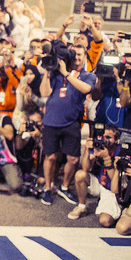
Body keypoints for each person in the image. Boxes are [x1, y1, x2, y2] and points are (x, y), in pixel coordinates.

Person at [39, 45, 97, 206]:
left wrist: (66, 73)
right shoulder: (55, 73)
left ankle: (64, 187)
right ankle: (48, 188)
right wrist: (48, 71)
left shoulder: (87, 75)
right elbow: (44, 92)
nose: (76, 57)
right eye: (74, 54)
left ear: (85, 57)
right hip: (51, 121)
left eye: (80, 54)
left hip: (71, 122)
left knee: (73, 159)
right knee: (50, 156)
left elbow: (86, 89)